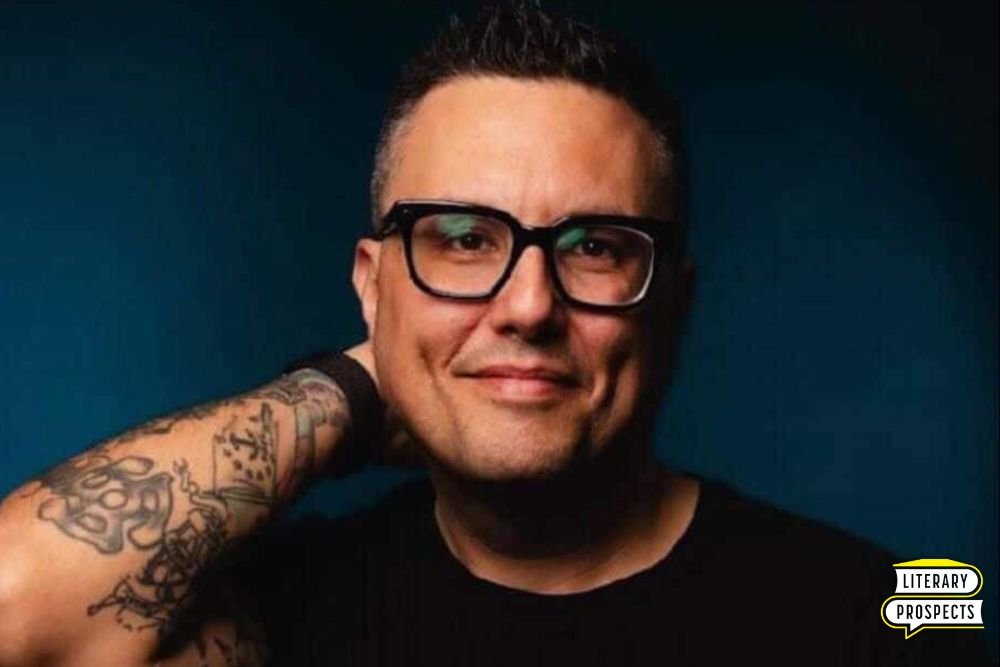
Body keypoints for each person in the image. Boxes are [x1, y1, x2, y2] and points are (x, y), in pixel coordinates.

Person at [0, 4, 988, 666]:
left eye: (595, 247)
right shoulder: (277, 614)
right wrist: (357, 387)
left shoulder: (883, 614)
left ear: (674, 303)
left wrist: (429, 347)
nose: (526, 306)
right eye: (463, 239)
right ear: (372, 286)